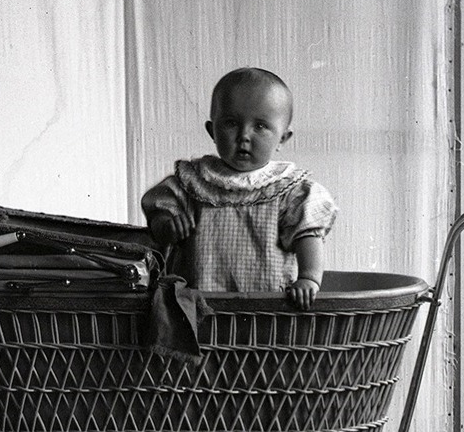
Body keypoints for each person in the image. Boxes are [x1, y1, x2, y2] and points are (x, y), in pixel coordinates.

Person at [141, 67, 337, 310]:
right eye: (231, 123)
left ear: (283, 139)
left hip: (266, 304)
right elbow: (158, 218)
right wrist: (168, 225)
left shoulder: (289, 190)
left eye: (261, 126)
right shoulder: (191, 182)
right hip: (197, 304)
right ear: (212, 130)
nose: (244, 135)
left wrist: (308, 278)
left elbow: (308, 236)